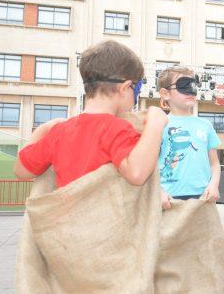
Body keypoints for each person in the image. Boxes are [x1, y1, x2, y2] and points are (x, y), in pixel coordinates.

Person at [14, 40, 168, 198]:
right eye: (136, 90)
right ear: (124, 88)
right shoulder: (118, 128)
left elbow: (21, 171)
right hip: (105, 220)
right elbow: (136, 173)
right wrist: (155, 123)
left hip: (67, 220)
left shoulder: (59, 131)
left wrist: (45, 127)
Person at [156, 66, 221, 202]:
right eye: (183, 85)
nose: (190, 90)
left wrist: (213, 185)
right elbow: (150, 165)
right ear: (165, 93)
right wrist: (159, 191)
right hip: (169, 198)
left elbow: (214, 164)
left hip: (202, 197)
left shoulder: (205, 126)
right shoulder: (159, 124)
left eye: (193, 85)